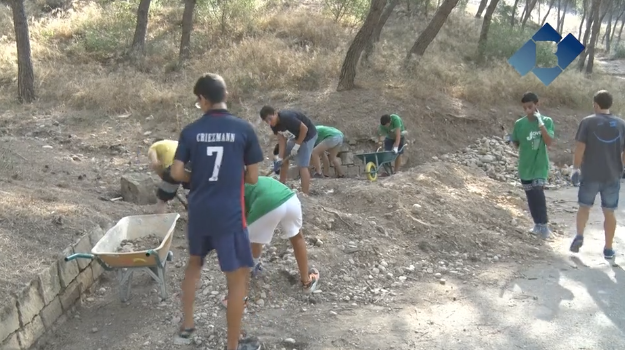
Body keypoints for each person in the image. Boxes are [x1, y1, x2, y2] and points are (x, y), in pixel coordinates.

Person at [170, 73, 263, 350]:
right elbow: (254, 178)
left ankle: (186, 328)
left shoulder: (190, 131)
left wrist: (196, 177)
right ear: (225, 95)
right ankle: (233, 345)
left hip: (199, 211)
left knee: (194, 265)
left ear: (202, 99)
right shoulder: (244, 129)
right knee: (237, 279)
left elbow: (176, 172)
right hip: (229, 215)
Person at [222, 176, 320, 307]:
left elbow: (244, 216)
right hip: (290, 199)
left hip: (268, 203)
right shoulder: (256, 180)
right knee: (297, 238)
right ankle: (306, 282)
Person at [569, 90, 625, 260]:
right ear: (610, 104)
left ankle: (579, 235)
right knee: (609, 212)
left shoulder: (587, 122)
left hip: (590, 173)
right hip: (612, 175)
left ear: (595, 104)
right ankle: (608, 248)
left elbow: (580, 148)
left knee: (584, 207)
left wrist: (576, 168)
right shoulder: (622, 123)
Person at [510, 92, 555, 239]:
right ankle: (537, 224)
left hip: (540, 165)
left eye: (530, 107)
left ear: (537, 105)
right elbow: (515, 143)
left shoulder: (547, 121)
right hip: (525, 165)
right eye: (525, 108)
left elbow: (549, 142)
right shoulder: (519, 124)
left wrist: (540, 122)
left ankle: (544, 225)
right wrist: (510, 141)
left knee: (538, 193)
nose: (528, 111)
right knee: (530, 196)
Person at [260, 106, 317, 194]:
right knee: (284, 158)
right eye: (266, 121)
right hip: (297, 137)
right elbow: (282, 140)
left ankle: (305, 194)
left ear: (275, 113)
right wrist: (280, 158)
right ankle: (282, 185)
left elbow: (304, 129)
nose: (269, 123)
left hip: (308, 136)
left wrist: (297, 145)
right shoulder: (274, 125)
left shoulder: (287, 117)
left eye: (270, 119)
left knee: (302, 165)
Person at [147, 138, 185, 214]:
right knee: (192, 195)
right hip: (191, 166)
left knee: (162, 199)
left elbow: (155, 164)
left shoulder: (153, 147)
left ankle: (160, 220)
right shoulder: (175, 143)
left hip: (174, 166)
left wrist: (162, 176)